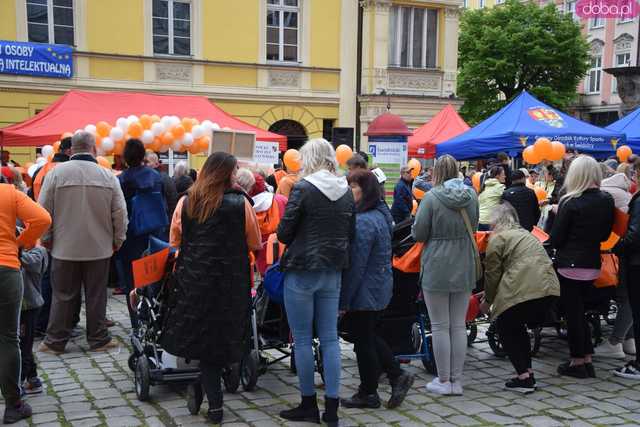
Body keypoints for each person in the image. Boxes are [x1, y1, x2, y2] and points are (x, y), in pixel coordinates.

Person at [161, 152, 261, 424]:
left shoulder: (186, 202)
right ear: (227, 173)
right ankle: (213, 401)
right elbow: (255, 243)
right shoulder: (241, 204)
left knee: (205, 339)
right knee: (223, 336)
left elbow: (175, 240)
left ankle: (204, 389)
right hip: (230, 281)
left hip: (195, 280)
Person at [276, 139, 354, 426]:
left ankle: (308, 404)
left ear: (308, 159)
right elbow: (351, 234)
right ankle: (332, 409)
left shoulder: (303, 188)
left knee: (303, 339)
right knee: (330, 338)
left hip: (302, 269)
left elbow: (284, 233)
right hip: (333, 270)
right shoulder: (346, 191)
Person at [38, 132, 128, 354]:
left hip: (64, 247)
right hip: (99, 248)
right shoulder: (108, 177)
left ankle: (55, 341)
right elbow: (120, 214)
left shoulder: (55, 175)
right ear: (93, 149)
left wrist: (47, 239)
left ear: (71, 149)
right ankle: (98, 339)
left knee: (62, 295)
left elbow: (42, 212)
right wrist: (117, 241)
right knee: (97, 296)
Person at [340, 170, 414, 409]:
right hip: (380, 285)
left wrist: (344, 301)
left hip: (366, 290)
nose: (349, 191)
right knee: (368, 335)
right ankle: (394, 376)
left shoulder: (363, 222)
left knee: (363, 339)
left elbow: (356, 267)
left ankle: (370, 391)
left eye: (353, 187)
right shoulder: (380, 212)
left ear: (366, 190)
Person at [412, 154, 479, 396]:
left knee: (440, 326)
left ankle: (443, 380)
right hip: (464, 261)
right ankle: (457, 380)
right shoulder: (471, 196)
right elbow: (475, 223)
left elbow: (419, 233)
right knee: (459, 325)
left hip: (437, 263)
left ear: (437, 172)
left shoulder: (431, 197)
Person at [482, 202, 560, 393]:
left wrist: (487, 301)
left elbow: (492, 275)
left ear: (495, 223)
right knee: (518, 326)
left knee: (506, 327)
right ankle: (528, 373)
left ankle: (524, 378)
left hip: (525, 288)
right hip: (549, 288)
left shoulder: (498, 239)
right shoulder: (527, 234)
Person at [551, 155, 614, 378]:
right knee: (581, 313)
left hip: (569, 264)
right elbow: (606, 234)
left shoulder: (570, 201)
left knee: (573, 314)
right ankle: (586, 358)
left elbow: (556, 238)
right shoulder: (606, 199)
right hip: (592, 263)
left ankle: (578, 361)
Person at [0, 184, 50, 425]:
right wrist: (19, 242)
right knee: (9, 337)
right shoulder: (8, 193)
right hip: (6, 266)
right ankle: (13, 405)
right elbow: (42, 219)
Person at [117, 139, 166, 329]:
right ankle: (156, 318)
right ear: (143, 155)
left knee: (132, 282)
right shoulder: (156, 177)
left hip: (130, 236)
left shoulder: (121, 180)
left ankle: (136, 323)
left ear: (125, 158)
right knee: (154, 278)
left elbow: (118, 210)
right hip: (154, 234)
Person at [596, 172, 635, 359]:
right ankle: (629, 339)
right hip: (627, 253)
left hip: (624, 254)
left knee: (626, 297)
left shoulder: (605, 193)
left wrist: (617, 247)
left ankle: (615, 342)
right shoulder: (626, 194)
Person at [18, 243, 48, 395]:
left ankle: (20, 382)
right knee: (24, 344)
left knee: (23, 344)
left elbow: (34, 264)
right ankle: (32, 378)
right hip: (19, 305)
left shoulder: (38, 250)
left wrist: (16, 252)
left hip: (29, 306)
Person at [248, 172, 287, 275]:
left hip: (259, 251)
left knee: (266, 276)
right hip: (281, 249)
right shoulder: (280, 200)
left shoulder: (245, 206)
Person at [31, 137, 72, 201]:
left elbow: (32, 194)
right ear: (69, 151)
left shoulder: (40, 170)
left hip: (40, 208)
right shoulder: (71, 170)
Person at [144, 152, 178, 220]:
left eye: (146, 162)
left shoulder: (161, 178)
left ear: (156, 164)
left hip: (161, 221)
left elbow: (172, 201)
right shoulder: (159, 176)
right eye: (143, 162)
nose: (144, 165)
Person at [478, 166, 506, 231]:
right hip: (491, 221)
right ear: (497, 176)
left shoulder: (484, 187)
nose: (505, 176)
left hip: (480, 220)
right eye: (503, 174)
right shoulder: (500, 187)